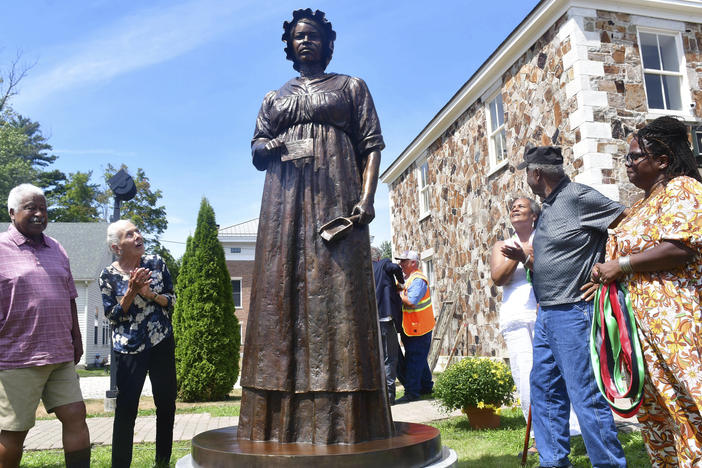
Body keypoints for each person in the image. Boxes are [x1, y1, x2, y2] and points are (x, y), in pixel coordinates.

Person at [237, 9, 393, 444]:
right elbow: (256, 149)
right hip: (283, 205)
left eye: (314, 36)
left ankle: (345, 415)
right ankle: (277, 416)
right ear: (289, 46)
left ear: (328, 43)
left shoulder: (351, 87)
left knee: (338, 297)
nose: (306, 41)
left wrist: (365, 200)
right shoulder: (274, 97)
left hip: (335, 197)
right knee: (279, 296)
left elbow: (372, 146)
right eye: (299, 37)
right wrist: (271, 144)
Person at [590, 116, 702, 467]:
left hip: (675, 325)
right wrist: (605, 274)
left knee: (689, 402)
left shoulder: (683, 189)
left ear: (663, 160)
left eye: (634, 156)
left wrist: (620, 266)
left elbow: (680, 248)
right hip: (639, 331)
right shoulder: (640, 205)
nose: (627, 163)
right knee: (657, 413)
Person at [512, 146, 628, 467]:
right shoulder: (547, 207)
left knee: (585, 397)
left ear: (537, 174)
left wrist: (612, 268)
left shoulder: (578, 197)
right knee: (545, 394)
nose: (527, 178)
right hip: (547, 314)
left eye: (527, 172)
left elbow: (627, 222)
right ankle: (553, 463)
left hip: (574, 312)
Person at [0, 184, 90, 468]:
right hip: (16, 356)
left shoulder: (57, 248)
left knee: (76, 414)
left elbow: (70, 297)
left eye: (43, 208)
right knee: (14, 432)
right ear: (12, 212)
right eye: (31, 208)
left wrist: (76, 337)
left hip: (60, 353)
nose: (39, 213)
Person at [490, 197, 580, 456]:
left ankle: (569, 430)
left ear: (535, 215)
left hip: (546, 311)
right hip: (516, 317)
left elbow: (555, 270)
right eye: (512, 207)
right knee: (527, 377)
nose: (515, 208)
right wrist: (520, 255)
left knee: (559, 373)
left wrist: (530, 253)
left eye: (521, 206)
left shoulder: (546, 239)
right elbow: (498, 277)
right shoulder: (502, 245)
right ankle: (541, 438)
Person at [99, 219, 176, 468]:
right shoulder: (108, 276)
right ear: (116, 247)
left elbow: (172, 300)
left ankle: (162, 461)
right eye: (129, 234)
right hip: (128, 349)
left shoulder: (156, 263)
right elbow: (112, 316)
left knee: (166, 404)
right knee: (126, 411)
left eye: (137, 231)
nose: (137, 236)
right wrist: (131, 291)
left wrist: (150, 294)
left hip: (160, 341)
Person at [395, 251, 435, 404]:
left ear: (413, 263)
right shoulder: (408, 279)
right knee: (419, 359)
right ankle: (426, 387)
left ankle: (411, 393)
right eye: (400, 262)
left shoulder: (418, 280)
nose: (401, 264)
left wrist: (397, 294)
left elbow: (411, 301)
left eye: (404, 262)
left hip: (419, 327)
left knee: (413, 360)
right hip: (412, 327)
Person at [371, 247, 404, 405]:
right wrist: (401, 283)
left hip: (371, 321)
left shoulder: (364, 269)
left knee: (378, 357)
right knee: (390, 358)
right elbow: (396, 267)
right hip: (385, 318)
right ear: (378, 258)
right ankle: (389, 397)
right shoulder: (383, 264)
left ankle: (378, 396)